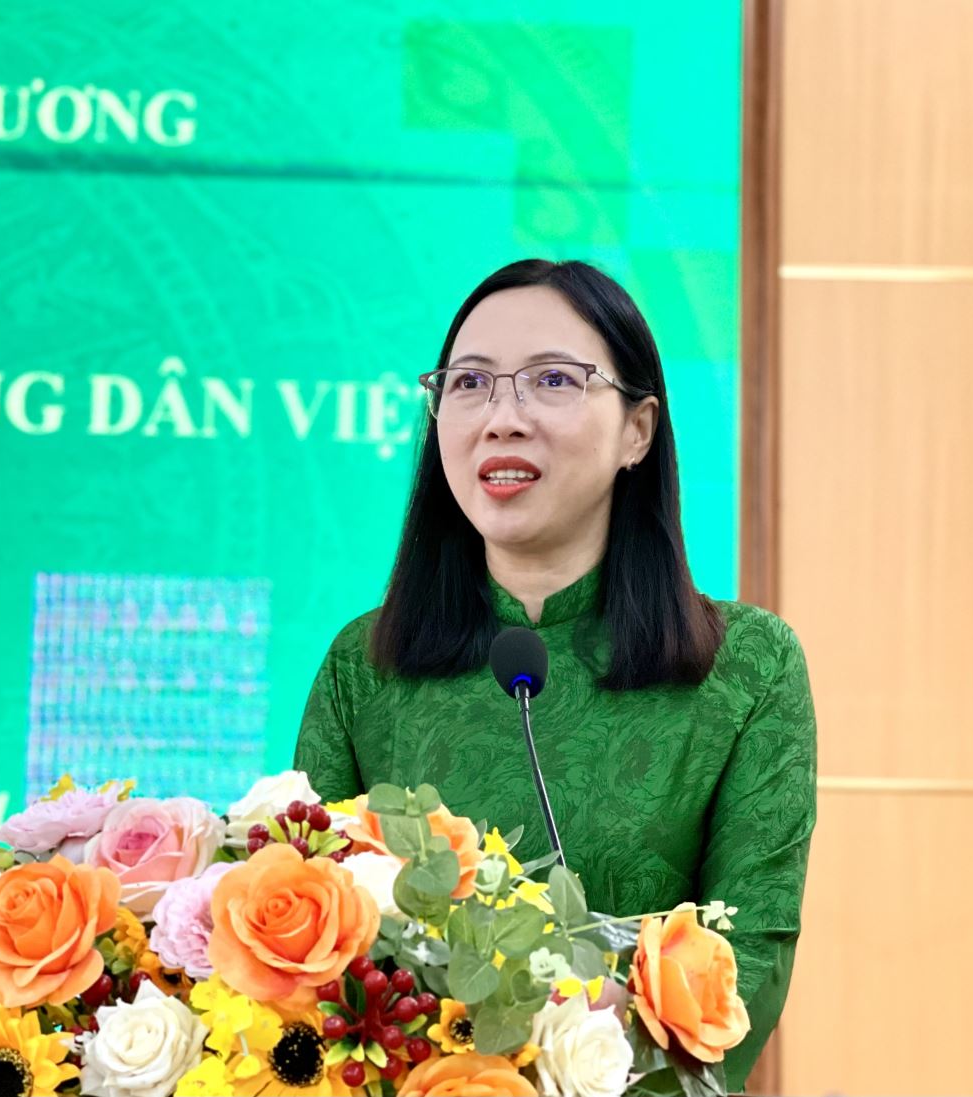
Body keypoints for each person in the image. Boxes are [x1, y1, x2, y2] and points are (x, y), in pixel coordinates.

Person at [292, 258, 816, 1089]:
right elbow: (308, 946)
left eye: (553, 380)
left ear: (638, 429)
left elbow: (747, 960)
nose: (503, 418)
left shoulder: (747, 667)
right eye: (470, 383)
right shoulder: (365, 665)